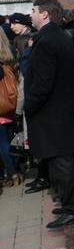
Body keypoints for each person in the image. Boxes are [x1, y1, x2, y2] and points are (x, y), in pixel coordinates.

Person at [25, 0, 74, 227]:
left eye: (33, 10)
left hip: (52, 114)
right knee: (68, 161)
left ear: (44, 14)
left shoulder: (47, 41)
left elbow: (43, 84)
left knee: (63, 164)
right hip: (60, 111)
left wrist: (28, 106)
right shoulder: (57, 36)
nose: (29, 15)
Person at [0, 31, 21, 187]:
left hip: (0, 107)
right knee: (9, 140)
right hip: (8, 104)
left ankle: (12, 173)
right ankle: (18, 171)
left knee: (2, 143)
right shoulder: (8, 55)